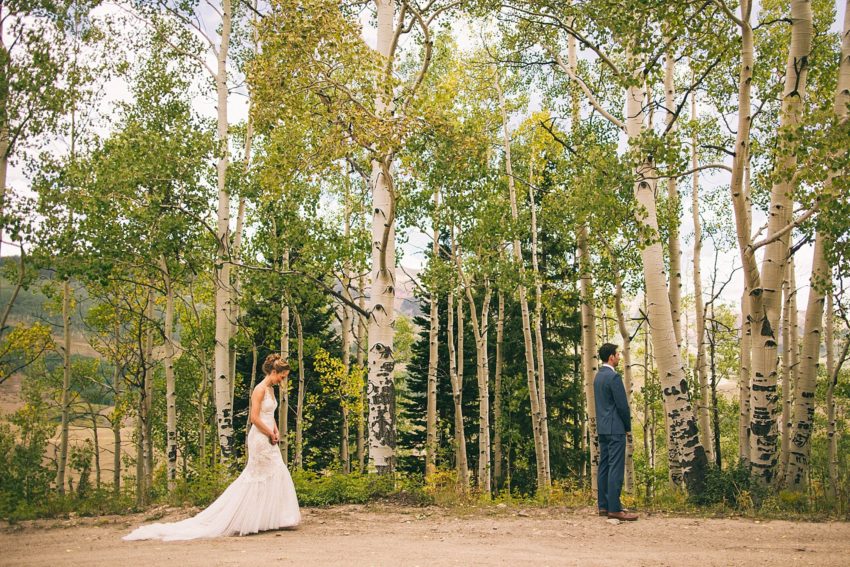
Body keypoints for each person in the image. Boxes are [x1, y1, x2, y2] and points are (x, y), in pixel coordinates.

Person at [123, 354, 301, 541]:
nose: (283, 379)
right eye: (282, 376)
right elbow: (254, 418)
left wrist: (276, 430)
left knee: (276, 473)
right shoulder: (259, 389)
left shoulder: (271, 390)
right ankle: (245, 518)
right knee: (257, 477)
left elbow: (269, 414)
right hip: (259, 438)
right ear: (274, 372)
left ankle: (269, 518)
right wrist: (269, 433)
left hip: (268, 435)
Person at [594, 343, 638, 521]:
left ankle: (603, 506)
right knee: (616, 468)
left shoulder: (598, 377)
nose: (619, 357)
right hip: (616, 428)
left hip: (603, 429)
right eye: (618, 354)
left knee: (604, 466)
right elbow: (622, 406)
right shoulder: (613, 377)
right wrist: (627, 428)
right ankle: (614, 508)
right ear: (611, 357)